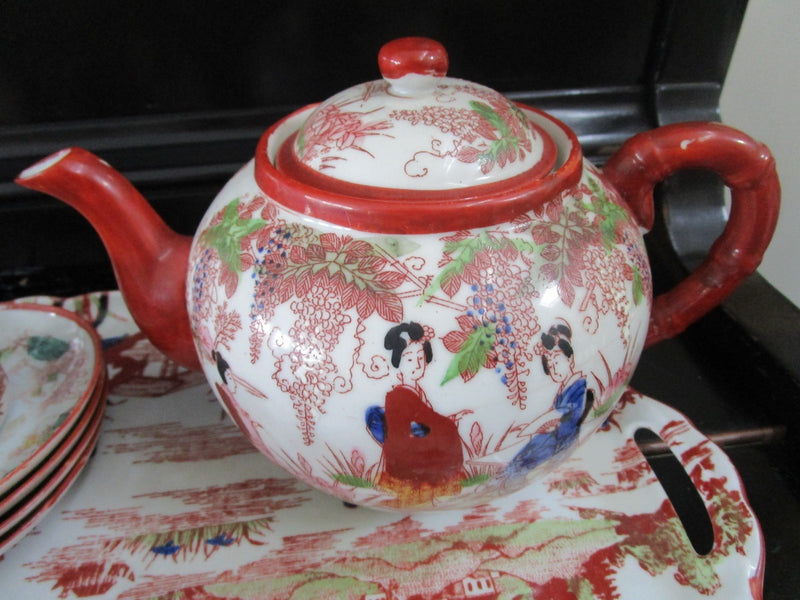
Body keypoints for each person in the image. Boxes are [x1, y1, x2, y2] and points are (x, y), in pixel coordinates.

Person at [365, 322, 463, 504]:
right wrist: (438, 426)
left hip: (419, 445)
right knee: (446, 431)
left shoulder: (418, 392)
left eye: (420, 358)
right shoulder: (397, 396)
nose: (417, 365)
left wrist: (445, 422)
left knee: (447, 430)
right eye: (409, 359)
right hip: (406, 455)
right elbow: (399, 434)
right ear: (398, 360)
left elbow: (427, 418)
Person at [505, 322, 594, 478]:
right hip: (556, 433)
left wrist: (532, 427)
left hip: (563, 437)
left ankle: (513, 475)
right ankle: (510, 474)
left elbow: (560, 415)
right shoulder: (565, 388)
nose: (554, 369)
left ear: (570, 360)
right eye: (551, 365)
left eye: (557, 362)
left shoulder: (578, 386)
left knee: (530, 453)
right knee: (531, 445)